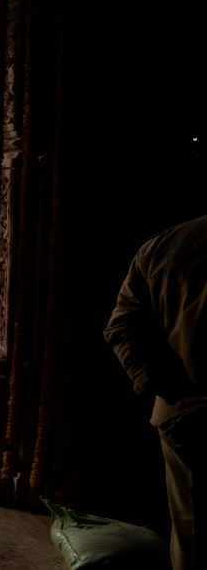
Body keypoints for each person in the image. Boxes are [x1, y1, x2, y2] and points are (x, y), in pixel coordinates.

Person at [103, 215, 206, 570]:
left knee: (193, 533)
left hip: (182, 419)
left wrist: (175, 394)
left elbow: (122, 328)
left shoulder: (163, 245)